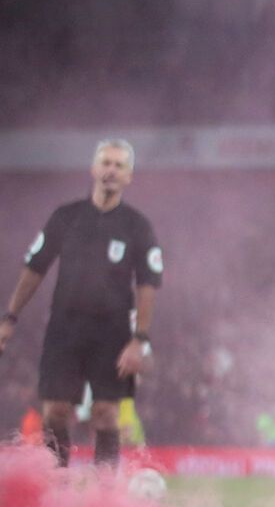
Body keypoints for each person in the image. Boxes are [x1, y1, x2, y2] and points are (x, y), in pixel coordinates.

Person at [0, 140, 162, 472]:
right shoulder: (66, 217)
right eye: (106, 163)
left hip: (113, 331)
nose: (111, 171)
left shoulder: (137, 226)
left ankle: (104, 495)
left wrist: (139, 339)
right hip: (65, 327)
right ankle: (58, 487)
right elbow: (35, 267)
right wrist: (9, 316)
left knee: (106, 413)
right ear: (93, 169)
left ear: (129, 176)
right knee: (55, 410)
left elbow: (147, 284)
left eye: (119, 165)